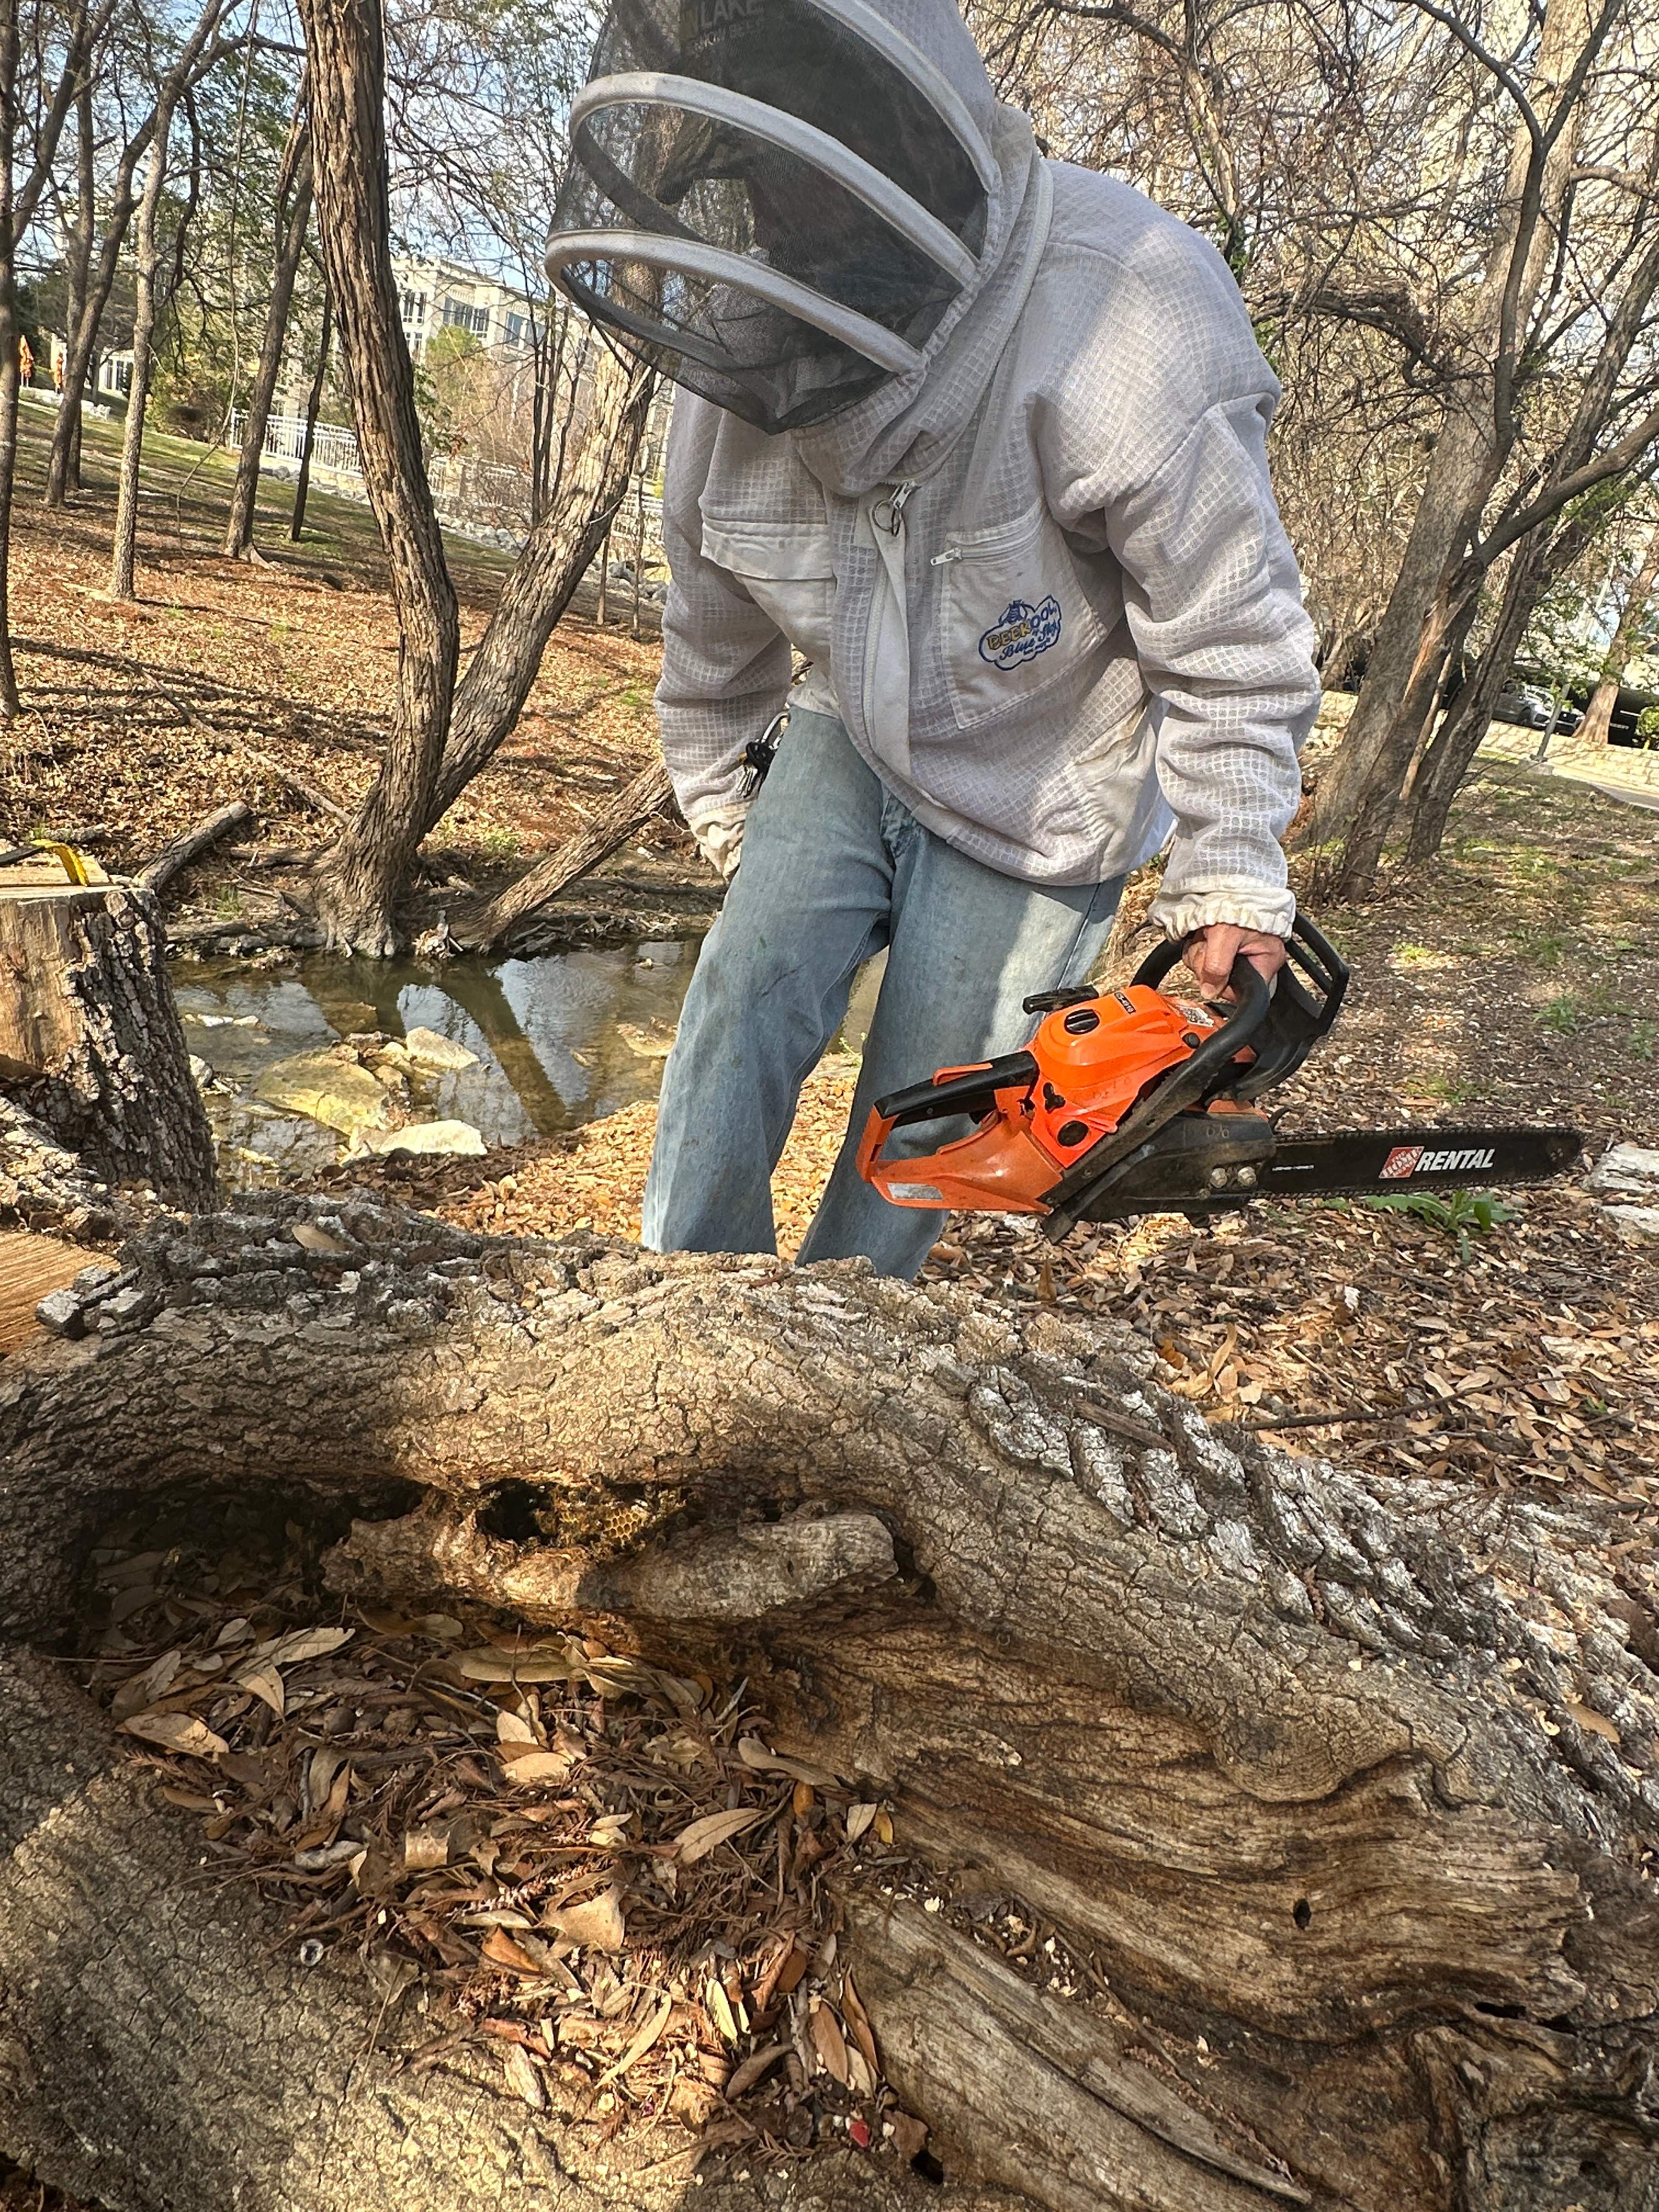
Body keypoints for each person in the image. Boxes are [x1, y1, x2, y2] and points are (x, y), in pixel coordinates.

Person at [545, 0, 1319, 1278]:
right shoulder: (740, 371)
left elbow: (1231, 629)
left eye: (819, 183)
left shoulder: (1126, 314)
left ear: (903, 143)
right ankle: (685, 1313)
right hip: (848, 727)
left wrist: (1231, 871)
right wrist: (729, 813)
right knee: (738, 1011)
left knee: (926, 1117)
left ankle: (845, 1351)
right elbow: (712, 633)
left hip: (1046, 788)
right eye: (770, 187)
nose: (795, 220)